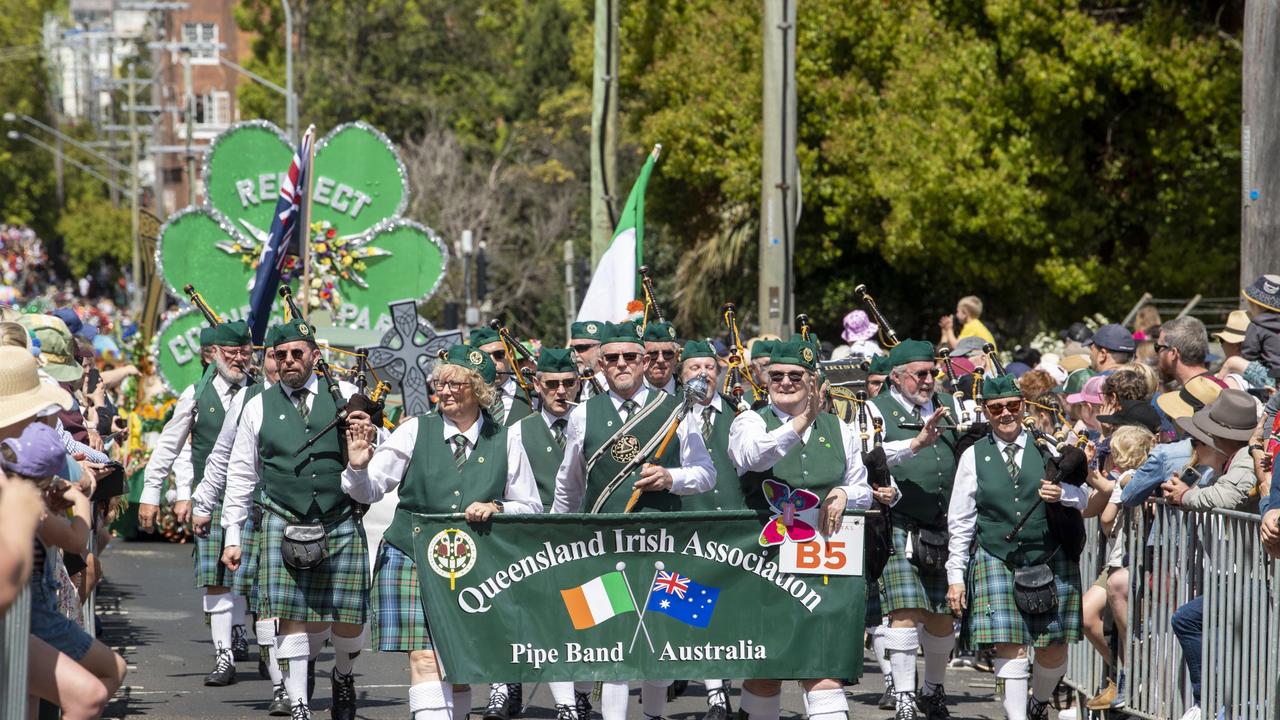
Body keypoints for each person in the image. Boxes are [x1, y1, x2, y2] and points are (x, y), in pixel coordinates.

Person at [343, 344, 541, 720]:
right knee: (424, 657)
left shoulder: (507, 439)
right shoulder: (415, 429)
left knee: (459, 663)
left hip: (476, 564)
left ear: (479, 389)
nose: (444, 391)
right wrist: (356, 468)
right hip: (409, 555)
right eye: (440, 383)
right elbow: (369, 490)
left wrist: (497, 507)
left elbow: (531, 506)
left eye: (455, 384)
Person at [552, 320, 714, 720]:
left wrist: (671, 477)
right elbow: (569, 487)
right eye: (612, 358)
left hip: (663, 543)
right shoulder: (583, 415)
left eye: (629, 356)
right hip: (603, 545)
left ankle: (654, 716)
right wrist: (557, 535)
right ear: (601, 365)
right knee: (612, 646)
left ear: (644, 361)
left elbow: (705, 473)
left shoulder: (676, 409)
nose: (621, 364)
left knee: (662, 643)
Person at [220, 318, 378, 720]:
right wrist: (232, 536)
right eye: (280, 354)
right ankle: (300, 704)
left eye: (296, 353)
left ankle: (343, 674)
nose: (288, 361)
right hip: (282, 518)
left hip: (339, 517)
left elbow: (379, 451)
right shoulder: (257, 405)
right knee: (289, 617)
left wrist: (364, 450)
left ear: (314, 355)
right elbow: (240, 473)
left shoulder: (348, 397)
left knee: (349, 620)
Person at [726, 338, 887, 720]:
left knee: (824, 671)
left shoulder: (841, 430)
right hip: (762, 563)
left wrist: (846, 494)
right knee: (767, 674)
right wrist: (801, 421)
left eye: (795, 376)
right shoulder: (749, 421)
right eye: (776, 375)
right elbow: (753, 456)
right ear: (764, 381)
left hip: (825, 564)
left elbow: (864, 488)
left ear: (813, 381)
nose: (784, 382)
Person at [946, 375, 1087, 720]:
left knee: (1053, 649)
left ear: (1023, 406)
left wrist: (1063, 495)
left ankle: (1039, 701)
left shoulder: (1048, 448)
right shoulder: (973, 456)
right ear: (986, 411)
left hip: (1050, 554)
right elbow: (961, 520)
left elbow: (1083, 497)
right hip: (997, 554)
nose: (1006, 413)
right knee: (1010, 644)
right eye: (997, 408)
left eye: (1013, 405)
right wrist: (955, 576)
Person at [865, 339, 962, 720]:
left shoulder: (950, 407)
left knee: (941, 616)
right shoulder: (874, 410)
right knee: (904, 612)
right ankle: (903, 696)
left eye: (932, 373)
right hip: (899, 519)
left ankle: (932, 689)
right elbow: (866, 455)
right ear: (896, 376)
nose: (927, 380)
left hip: (944, 523)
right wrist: (916, 443)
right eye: (919, 374)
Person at [7, 422, 127, 720]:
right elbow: (75, 539)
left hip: (27, 617)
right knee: (108, 675)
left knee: (25, 701)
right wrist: (80, 500)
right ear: (48, 477)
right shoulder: (29, 504)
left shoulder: (19, 494)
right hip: (35, 616)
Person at [1162, 389, 1263, 720]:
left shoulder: (1247, 458)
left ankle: (1209, 703)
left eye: (1199, 440)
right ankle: (1219, 705)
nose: (1195, 447)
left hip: (1257, 576)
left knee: (1188, 619)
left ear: (1219, 438)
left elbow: (1229, 497)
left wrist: (1188, 496)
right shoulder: (1232, 462)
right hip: (1244, 574)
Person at [469, 327, 534, 426]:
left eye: (499, 354)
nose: (493, 362)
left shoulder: (531, 392)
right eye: (484, 358)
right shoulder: (468, 397)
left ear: (510, 355)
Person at [1155, 317, 1224, 388]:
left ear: (1173, 353)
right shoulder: (1221, 386)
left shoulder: (1191, 396)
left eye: (1157, 347)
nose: (1156, 353)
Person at [1241, 274, 1280, 379]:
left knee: (1234, 363)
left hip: (1273, 377)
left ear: (1256, 305)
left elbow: (1249, 356)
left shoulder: (1257, 325)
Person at [568, 320, 606, 399]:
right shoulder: (570, 386)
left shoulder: (615, 385)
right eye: (571, 349)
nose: (575, 354)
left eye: (581, 348)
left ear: (601, 349)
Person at [643, 321, 681, 396]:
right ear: (643, 359)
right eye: (653, 354)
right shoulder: (631, 393)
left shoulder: (687, 395)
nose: (660, 360)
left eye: (667, 354)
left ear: (676, 357)